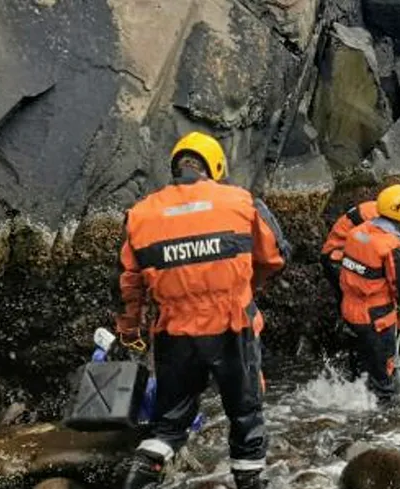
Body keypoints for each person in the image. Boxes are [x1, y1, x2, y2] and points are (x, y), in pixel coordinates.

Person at [115, 131, 288, 489]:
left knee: (168, 425)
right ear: (214, 167)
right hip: (232, 326)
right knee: (245, 413)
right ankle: (250, 481)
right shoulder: (240, 200)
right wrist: (244, 285)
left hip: (174, 332)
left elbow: (130, 284)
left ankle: (139, 476)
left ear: (176, 166)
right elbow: (275, 255)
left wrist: (130, 330)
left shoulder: (140, 213)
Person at [338, 184, 400, 406]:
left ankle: (354, 408)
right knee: (384, 377)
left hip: (350, 309)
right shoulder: (393, 244)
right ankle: (385, 423)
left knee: (359, 370)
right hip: (377, 316)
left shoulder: (357, 232)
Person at [320, 200, 379, 304]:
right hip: (336, 256)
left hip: (339, 252)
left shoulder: (378, 209)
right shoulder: (375, 218)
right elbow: (358, 236)